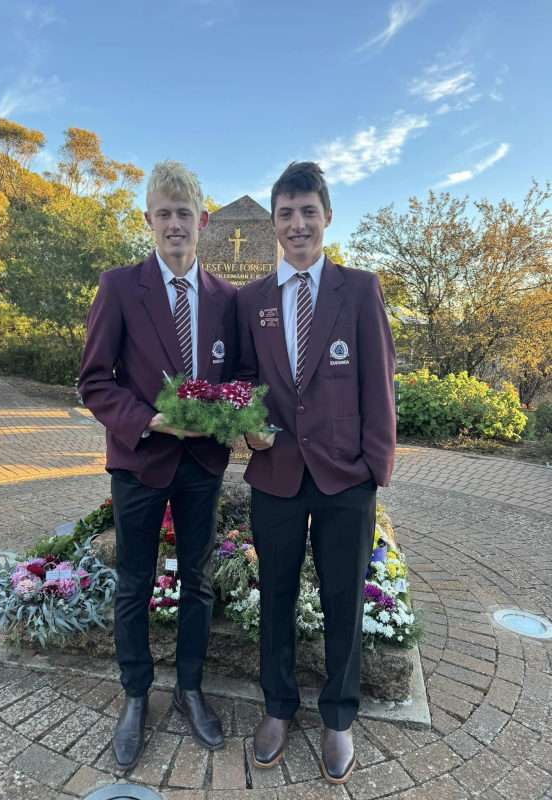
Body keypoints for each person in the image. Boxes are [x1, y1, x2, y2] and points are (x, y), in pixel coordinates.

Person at [238, 161, 396, 784]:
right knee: (274, 596)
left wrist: (373, 470)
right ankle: (277, 707)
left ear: (327, 216)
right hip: (275, 472)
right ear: (275, 223)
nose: (297, 224)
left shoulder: (359, 290)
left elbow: (378, 383)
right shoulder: (252, 300)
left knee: (341, 601)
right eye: (286, 213)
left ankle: (337, 717)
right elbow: (243, 382)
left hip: (344, 478)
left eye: (308, 211)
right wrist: (243, 424)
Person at [79, 161, 237, 770]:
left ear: (203, 222)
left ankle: (190, 690)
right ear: (148, 221)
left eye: (184, 215)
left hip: (202, 465)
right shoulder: (120, 287)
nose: (174, 225)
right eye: (163, 214)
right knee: (134, 583)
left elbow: (242, 379)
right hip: (139, 462)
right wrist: (150, 419)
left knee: (197, 581)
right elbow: (94, 381)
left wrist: (236, 420)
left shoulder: (228, 299)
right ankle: (136, 695)